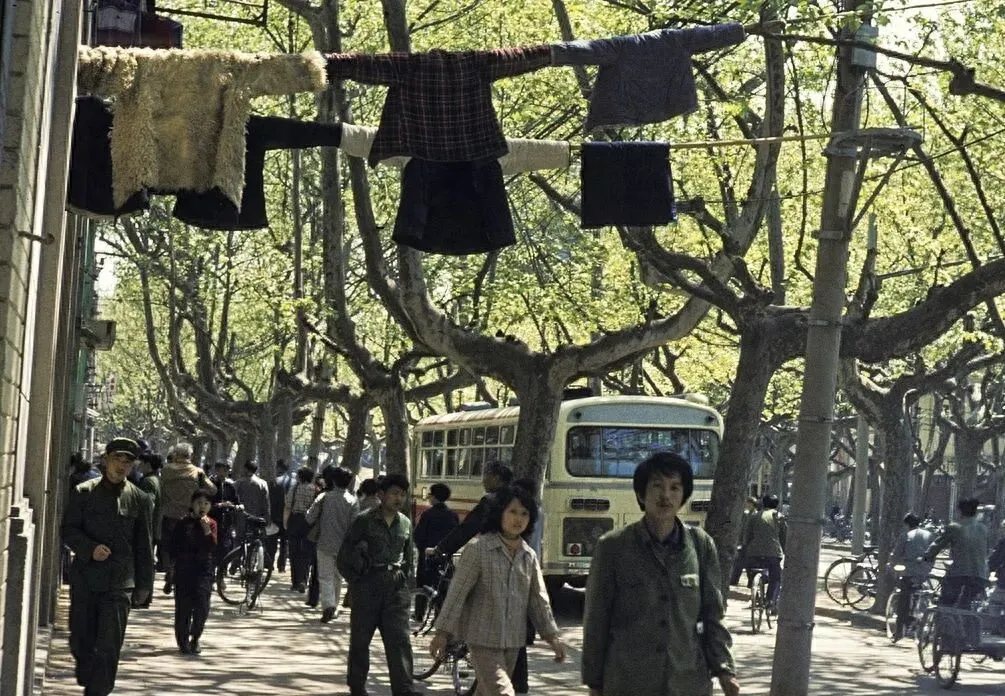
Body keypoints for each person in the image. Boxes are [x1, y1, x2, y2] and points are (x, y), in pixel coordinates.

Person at [582, 451, 739, 696]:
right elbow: (596, 620)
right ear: (640, 494)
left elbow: (713, 616)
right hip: (629, 683)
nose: (666, 495)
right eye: (657, 486)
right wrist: (594, 683)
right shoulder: (613, 547)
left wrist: (725, 670)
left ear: (683, 495)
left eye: (675, 487)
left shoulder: (700, 545)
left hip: (688, 683)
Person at [430, 485, 565, 696]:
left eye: (524, 514)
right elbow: (457, 593)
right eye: (512, 512)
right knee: (503, 692)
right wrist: (442, 633)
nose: (518, 519)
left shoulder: (528, 556)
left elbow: (539, 600)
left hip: (513, 641)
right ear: (500, 513)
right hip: (482, 639)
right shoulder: (478, 549)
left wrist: (552, 637)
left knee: (486, 692)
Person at [61, 437, 154, 696]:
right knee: (81, 639)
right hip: (86, 579)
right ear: (105, 460)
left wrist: (144, 586)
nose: (121, 465)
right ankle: (86, 671)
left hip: (119, 583)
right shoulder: (84, 492)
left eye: (128, 461)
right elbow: (68, 530)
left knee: (109, 646)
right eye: (117, 459)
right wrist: (89, 549)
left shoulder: (140, 499)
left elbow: (144, 545)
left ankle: (99, 691)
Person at [337, 473, 419, 696]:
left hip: (395, 590)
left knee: (400, 641)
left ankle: (404, 689)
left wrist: (405, 581)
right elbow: (344, 555)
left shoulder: (405, 523)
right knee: (360, 641)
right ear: (381, 495)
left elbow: (409, 557)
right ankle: (357, 685)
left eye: (402, 494)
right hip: (367, 587)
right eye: (394, 493)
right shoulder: (364, 520)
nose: (399, 499)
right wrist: (356, 581)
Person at [160, 442, 216, 595]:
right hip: (191, 516)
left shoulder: (166, 471)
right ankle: (183, 575)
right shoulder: (197, 472)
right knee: (189, 546)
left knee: (169, 546)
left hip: (169, 514)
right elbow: (212, 489)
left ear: (175, 455)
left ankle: (170, 570)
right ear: (190, 455)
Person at [307, 465, 359, 622]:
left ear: (334, 480)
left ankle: (328, 605)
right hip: (344, 546)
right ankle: (334, 607)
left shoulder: (324, 497)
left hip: (324, 543)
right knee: (338, 577)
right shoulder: (353, 501)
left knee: (325, 576)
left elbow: (309, 517)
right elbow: (355, 526)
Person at [430, 461, 513, 558]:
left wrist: (441, 549)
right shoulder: (518, 498)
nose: (483, 481)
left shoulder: (490, 502)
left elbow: (467, 528)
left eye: (486, 475)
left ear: (496, 478)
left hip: (495, 554)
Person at [169, 490, 217, 654]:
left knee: (202, 606)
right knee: (183, 607)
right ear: (192, 504)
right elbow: (173, 548)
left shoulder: (212, 524)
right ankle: (183, 641)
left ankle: (195, 638)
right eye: (199, 503)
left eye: (206, 503)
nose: (202, 506)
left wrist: (207, 530)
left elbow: (213, 547)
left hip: (204, 570)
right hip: (184, 569)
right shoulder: (183, 523)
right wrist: (171, 570)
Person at [925, 497, 990, 607]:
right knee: (967, 603)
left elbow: (937, 545)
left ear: (959, 511)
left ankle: (944, 616)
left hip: (958, 574)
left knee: (946, 603)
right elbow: (986, 550)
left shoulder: (954, 527)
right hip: (980, 576)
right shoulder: (984, 529)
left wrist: (926, 556)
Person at [892, 512, 934, 639]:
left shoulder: (905, 535)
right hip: (925, 570)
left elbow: (896, 554)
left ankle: (899, 630)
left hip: (909, 571)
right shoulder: (928, 535)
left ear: (906, 524)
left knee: (903, 598)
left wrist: (892, 565)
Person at [743, 493, 786, 609]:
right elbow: (784, 537)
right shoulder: (779, 517)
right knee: (776, 578)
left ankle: (756, 594)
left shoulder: (754, 516)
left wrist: (746, 548)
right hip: (773, 553)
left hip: (754, 553)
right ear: (777, 505)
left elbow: (747, 537)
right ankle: (770, 601)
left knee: (751, 571)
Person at [135, 452, 164, 606]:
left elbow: (148, 505)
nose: (138, 464)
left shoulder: (148, 482)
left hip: (148, 528)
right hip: (153, 528)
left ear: (148, 464)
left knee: (144, 562)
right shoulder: (155, 480)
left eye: (141, 462)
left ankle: (142, 597)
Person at [285, 466, 317, 593]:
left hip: (295, 520)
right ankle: (303, 579)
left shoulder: (294, 488)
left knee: (294, 552)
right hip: (309, 521)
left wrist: (285, 522)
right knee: (306, 552)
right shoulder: (315, 490)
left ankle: (295, 582)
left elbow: (288, 506)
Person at [270, 459, 295, 572]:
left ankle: (270, 563)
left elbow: (269, 500)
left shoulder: (274, 481)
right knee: (285, 543)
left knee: (272, 541)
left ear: (277, 468)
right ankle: (282, 565)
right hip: (289, 517)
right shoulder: (294, 483)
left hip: (275, 516)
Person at [729, 496, 758, 586]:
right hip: (744, 542)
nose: (747, 505)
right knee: (739, 562)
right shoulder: (746, 514)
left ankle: (750, 581)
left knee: (747, 563)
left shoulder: (755, 515)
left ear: (752, 504)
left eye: (748, 503)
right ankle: (734, 580)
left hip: (750, 542)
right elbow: (742, 529)